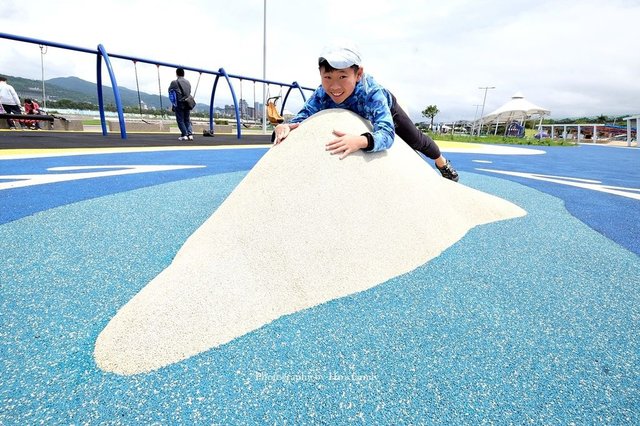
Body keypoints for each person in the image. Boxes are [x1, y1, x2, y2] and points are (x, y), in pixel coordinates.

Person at [273, 42, 459, 182]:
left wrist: (361, 140)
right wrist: (286, 126)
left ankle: (442, 162)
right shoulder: (322, 93)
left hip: (386, 107)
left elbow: (386, 133)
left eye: (343, 77)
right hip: (356, 114)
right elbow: (303, 116)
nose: (334, 86)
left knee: (416, 139)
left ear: (358, 74)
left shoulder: (372, 93)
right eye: (327, 77)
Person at [168, 68, 194, 141]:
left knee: (180, 120)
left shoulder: (174, 82)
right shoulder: (188, 82)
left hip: (179, 103)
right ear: (183, 74)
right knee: (187, 120)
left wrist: (173, 103)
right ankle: (190, 134)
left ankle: (185, 135)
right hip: (187, 103)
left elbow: (170, 92)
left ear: (176, 74)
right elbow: (189, 92)